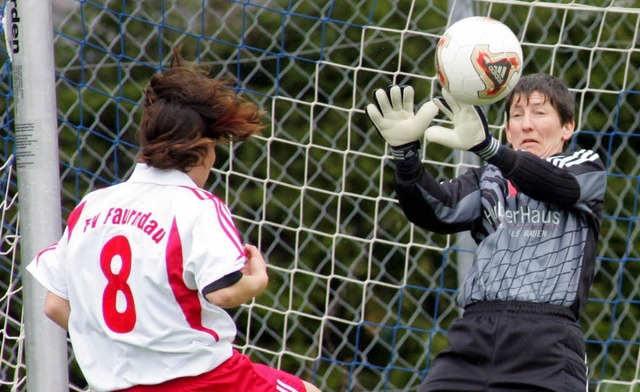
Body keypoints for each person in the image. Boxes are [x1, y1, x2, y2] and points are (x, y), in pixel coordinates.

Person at [27, 48, 321, 392]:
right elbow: (223, 293)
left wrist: (122, 348)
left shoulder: (91, 208)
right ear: (203, 149)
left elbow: (54, 304)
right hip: (205, 381)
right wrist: (256, 282)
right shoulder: (198, 207)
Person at [365, 73, 606, 391]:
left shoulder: (584, 166)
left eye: (539, 112)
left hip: (546, 345)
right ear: (508, 130)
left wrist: (490, 148)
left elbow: (554, 184)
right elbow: (437, 211)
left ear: (567, 127)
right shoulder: (487, 178)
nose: (526, 124)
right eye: (517, 115)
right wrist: (405, 155)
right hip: (474, 338)